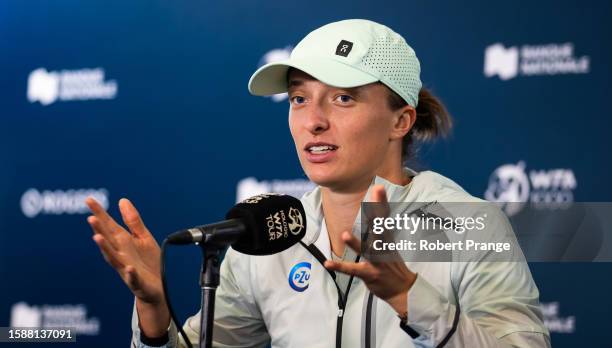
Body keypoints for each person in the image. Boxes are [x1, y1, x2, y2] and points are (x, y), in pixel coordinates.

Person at [85, 19, 551, 347]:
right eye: (300, 99)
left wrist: (412, 300)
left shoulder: (466, 224)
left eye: (343, 98)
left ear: (401, 120)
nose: (314, 121)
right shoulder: (272, 231)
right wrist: (153, 314)